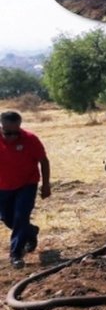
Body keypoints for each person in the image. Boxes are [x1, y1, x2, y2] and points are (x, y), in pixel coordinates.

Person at [0, 111, 50, 269]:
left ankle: (16, 254)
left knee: (20, 216)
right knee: (7, 219)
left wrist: (46, 184)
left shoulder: (30, 139)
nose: (12, 137)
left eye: (16, 132)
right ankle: (31, 231)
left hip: (27, 184)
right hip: (3, 186)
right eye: (8, 133)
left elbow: (44, 161)